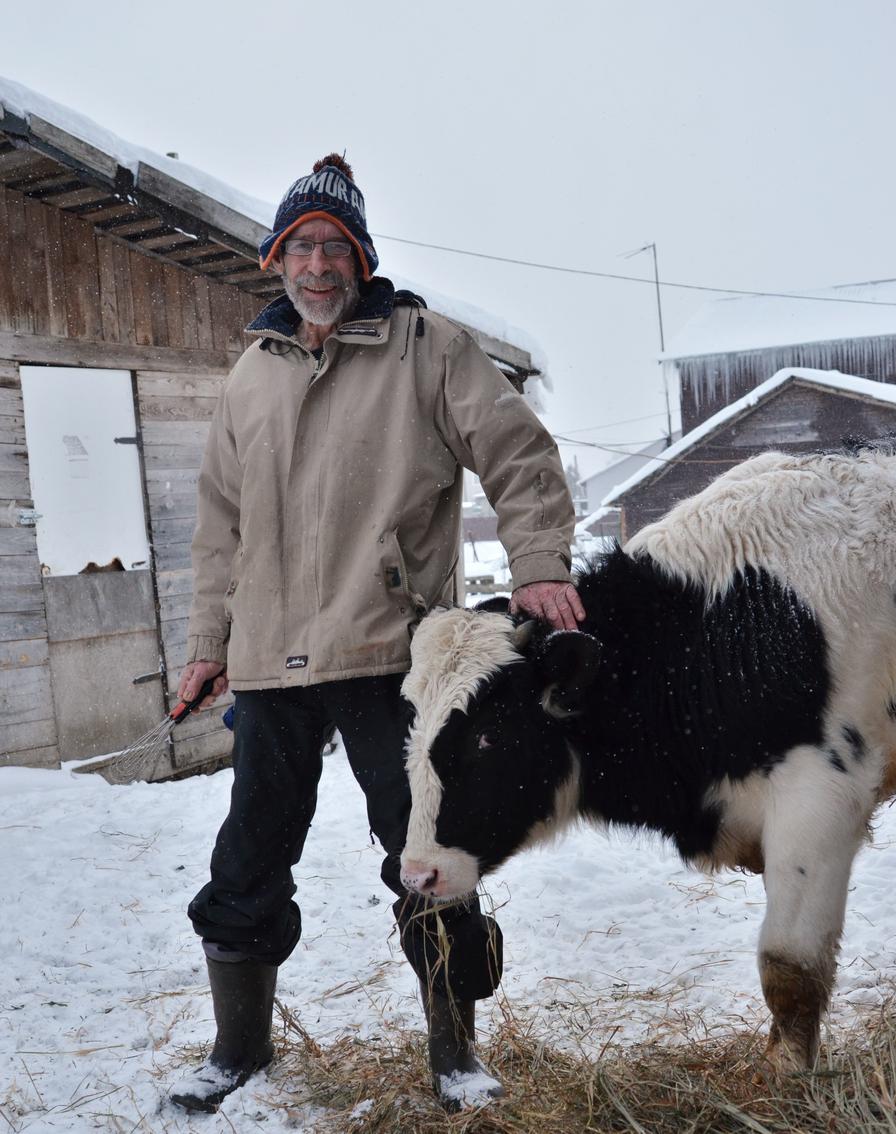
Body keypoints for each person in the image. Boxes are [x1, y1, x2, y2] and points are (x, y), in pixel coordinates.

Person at [169, 153, 585, 1114]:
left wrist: (542, 566)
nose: (318, 266)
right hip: (270, 658)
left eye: (336, 248)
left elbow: (516, 453)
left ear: (361, 259)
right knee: (247, 856)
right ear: (276, 260)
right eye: (301, 247)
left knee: (423, 848)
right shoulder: (250, 376)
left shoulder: (424, 346)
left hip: (390, 653)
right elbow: (218, 529)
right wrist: (206, 644)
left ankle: (455, 1052)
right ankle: (238, 1048)